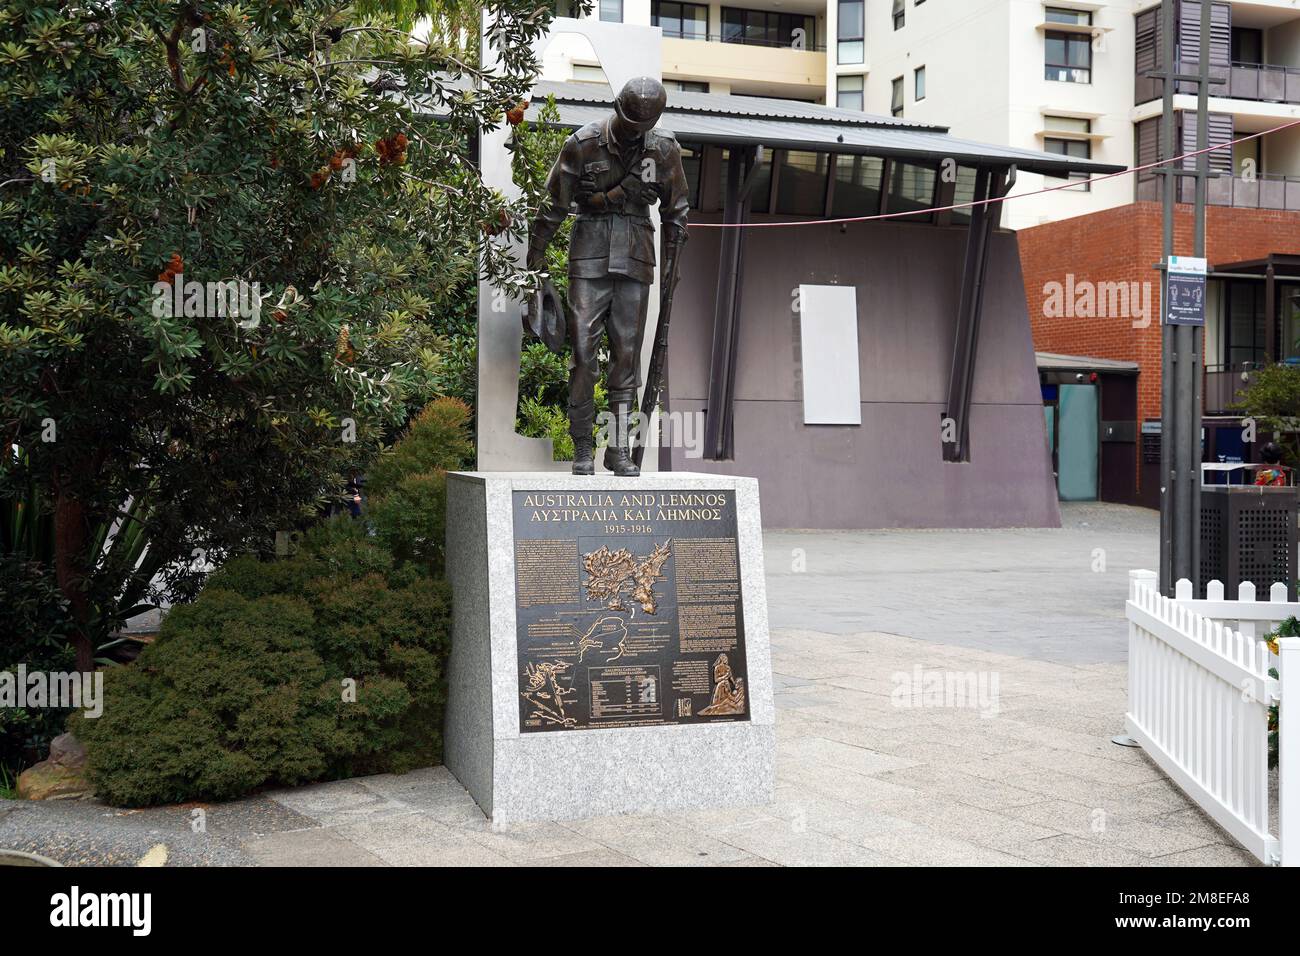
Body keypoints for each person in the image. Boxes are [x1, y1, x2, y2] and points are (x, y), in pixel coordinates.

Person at [526, 77, 690, 477]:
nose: (635, 133)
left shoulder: (664, 150)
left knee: (626, 360)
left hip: (636, 259)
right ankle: (583, 447)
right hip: (589, 257)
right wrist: (534, 265)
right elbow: (553, 207)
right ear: (617, 110)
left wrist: (673, 263)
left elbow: (677, 211)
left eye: (642, 128)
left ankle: (617, 450)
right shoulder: (582, 145)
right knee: (583, 357)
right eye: (630, 124)